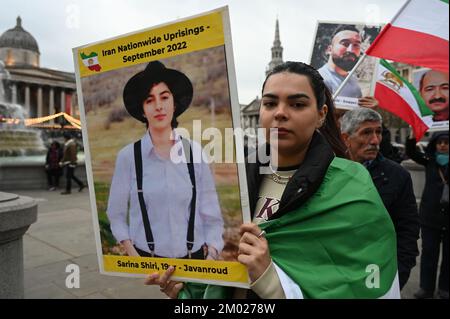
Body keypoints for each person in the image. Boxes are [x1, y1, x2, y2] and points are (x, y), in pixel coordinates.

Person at [146, 61, 400, 299]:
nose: (280, 113)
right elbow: (216, 264)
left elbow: (362, 282)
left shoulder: (351, 184)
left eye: (297, 104)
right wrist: (184, 288)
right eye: (269, 104)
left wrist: (269, 280)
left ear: (321, 114)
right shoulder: (234, 181)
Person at [106, 60, 224, 260]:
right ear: (142, 110)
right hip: (147, 260)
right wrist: (133, 255)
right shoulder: (128, 157)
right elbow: (116, 215)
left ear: (174, 103)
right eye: (149, 100)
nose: (158, 106)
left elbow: (211, 214)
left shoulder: (195, 152)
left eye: (164, 97)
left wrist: (211, 253)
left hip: (195, 261)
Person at [340, 108, 420, 290]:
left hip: (379, 275)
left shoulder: (398, 176)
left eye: (378, 132)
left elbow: (407, 230)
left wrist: (398, 275)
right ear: (346, 138)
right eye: (367, 132)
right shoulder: (328, 172)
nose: (375, 140)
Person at [406, 131, 449, 299]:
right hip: (430, 217)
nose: (443, 145)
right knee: (428, 255)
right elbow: (411, 152)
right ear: (435, 144)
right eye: (440, 142)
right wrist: (412, 134)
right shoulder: (430, 161)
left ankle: (445, 288)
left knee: (448, 257)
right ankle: (426, 288)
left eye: (446, 142)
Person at [318, 25, 362, 98]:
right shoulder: (319, 80)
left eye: (356, 45)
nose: (351, 50)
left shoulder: (353, 80)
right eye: (345, 44)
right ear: (329, 49)